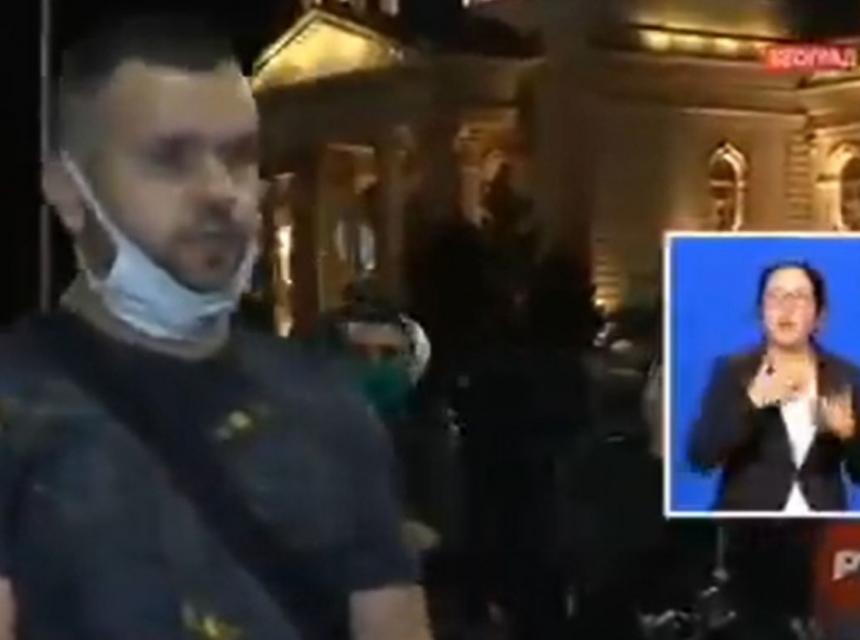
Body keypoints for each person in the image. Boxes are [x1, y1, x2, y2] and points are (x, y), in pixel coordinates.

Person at [0, 11, 432, 639]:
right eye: (169, 159)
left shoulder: (331, 407)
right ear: (69, 192)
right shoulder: (15, 407)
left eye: (239, 157)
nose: (220, 192)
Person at [688, 261, 860, 513]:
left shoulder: (845, 376)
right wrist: (752, 403)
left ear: (818, 315)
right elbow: (701, 457)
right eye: (775, 296)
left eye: (798, 297)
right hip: (749, 524)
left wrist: (849, 436)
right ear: (760, 312)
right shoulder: (734, 372)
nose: (786, 308)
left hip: (821, 525)